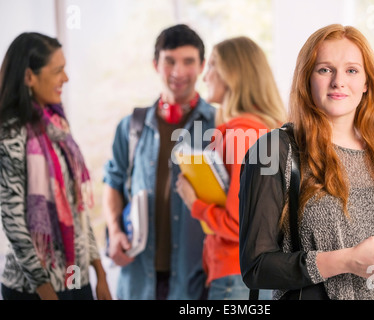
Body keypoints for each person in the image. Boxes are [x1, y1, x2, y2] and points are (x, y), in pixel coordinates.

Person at [239, 24, 374, 300]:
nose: (338, 81)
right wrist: (346, 261)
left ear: (366, 82)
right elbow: (256, 267)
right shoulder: (276, 149)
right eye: (325, 69)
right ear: (307, 78)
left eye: (352, 70)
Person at [102, 24, 216, 300]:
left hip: (197, 281)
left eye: (188, 62)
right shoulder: (130, 128)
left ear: (202, 66)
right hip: (139, 278)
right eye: (170, 61)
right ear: (156, 64)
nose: (178, 72)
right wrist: (115, 232)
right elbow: (113, 182)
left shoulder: (219, 126)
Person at [0, 32, 112, 300]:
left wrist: (101, 273)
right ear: (29, 77)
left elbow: (77, 210)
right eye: (58, 70)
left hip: (73, 278)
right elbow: (13, 221)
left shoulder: (58, 125)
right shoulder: (10, 134)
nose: (66, 78)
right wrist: (45, 291)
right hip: (32, 289)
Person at [176, 36, 287, 299]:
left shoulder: (243, 136)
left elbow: (242, 226)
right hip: (248, 275)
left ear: (233, 74)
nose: (205, 76)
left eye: (212, 65)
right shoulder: (261, 131)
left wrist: (195, 203)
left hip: (236, 275)